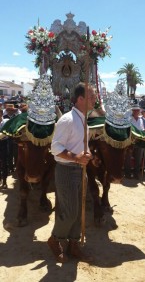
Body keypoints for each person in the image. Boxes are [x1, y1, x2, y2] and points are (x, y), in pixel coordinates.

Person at [48, 82, 96, 263]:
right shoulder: (67, 120)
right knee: (70, 212)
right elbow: (55, 148)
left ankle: (74, 244)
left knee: (80, 209)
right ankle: (54, 239)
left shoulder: (84, 120)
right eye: (91, 96)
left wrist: (87, 153)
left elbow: (80, 146)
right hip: (66, 170)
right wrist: (76, 158)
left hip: (80, 169)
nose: (95, 99)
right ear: (80, 99)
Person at [124, 104, 144, 179]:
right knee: (128, 159)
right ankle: (127, 173)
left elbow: (141, 130)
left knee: (138, 158)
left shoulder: (141, 120)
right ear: (132, 111)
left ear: (139, 111)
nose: (136, 111)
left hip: (139, 141)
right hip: (130, 141)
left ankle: (136, 173)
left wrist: (144, 131)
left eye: (137, 110)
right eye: (134, 110)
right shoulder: (128, 119)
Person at [0, 109, 9, 188]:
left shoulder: (6, 121)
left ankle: (5, 181)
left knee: (4, 162)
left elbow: (8, 130)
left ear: (1, 114)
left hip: (4, 143)